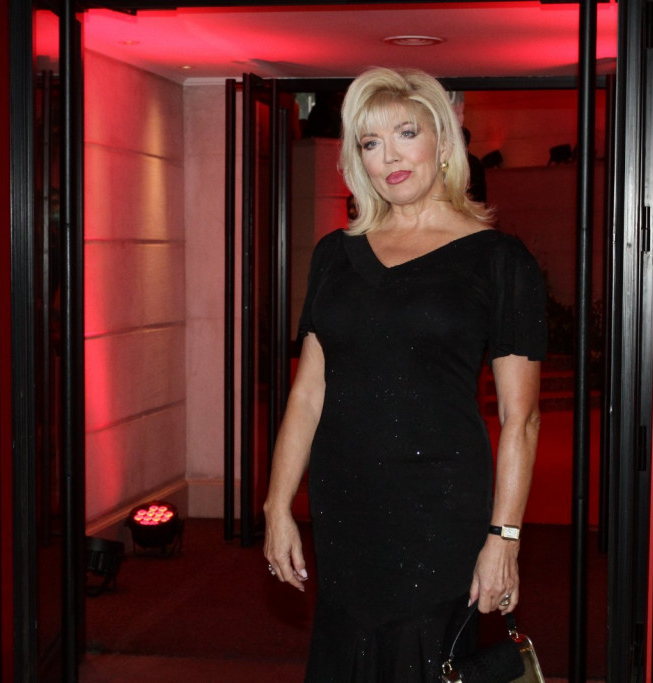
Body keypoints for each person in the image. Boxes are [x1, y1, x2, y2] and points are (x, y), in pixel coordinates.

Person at [263, 66, 547, 682]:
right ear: (356, 159)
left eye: (406, 133)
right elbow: (308, 393)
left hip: (441, 508)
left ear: (443, 141)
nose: (389, 156)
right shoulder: (334, 256)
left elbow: (521, 417)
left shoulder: (499, 260)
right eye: (371, 142)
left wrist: (504, 537)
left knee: (426, 659)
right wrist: (277, 504)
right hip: (345, 508)